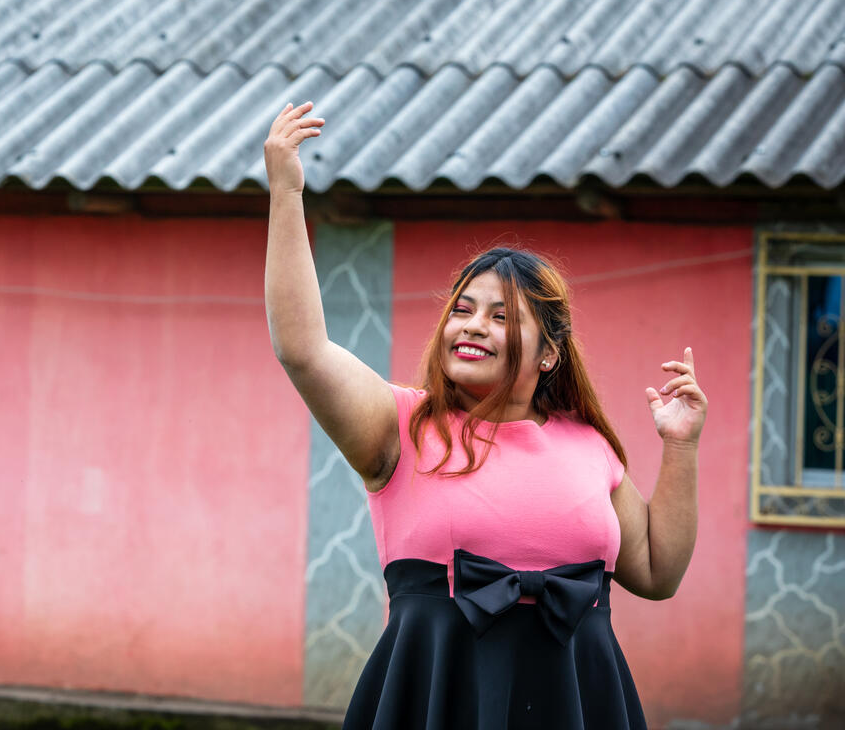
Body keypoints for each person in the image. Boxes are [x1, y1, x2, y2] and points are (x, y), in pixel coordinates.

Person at [263, 101, 706, 729]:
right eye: (463, 309)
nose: (472, 327)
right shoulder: (401, 426)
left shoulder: (588, 446)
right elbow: (302, 349)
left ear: (549, 353)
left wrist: (681, 447)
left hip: (575, 700)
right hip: (436, 695)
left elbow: (658, 572)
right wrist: (286, 192)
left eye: (501, 317)